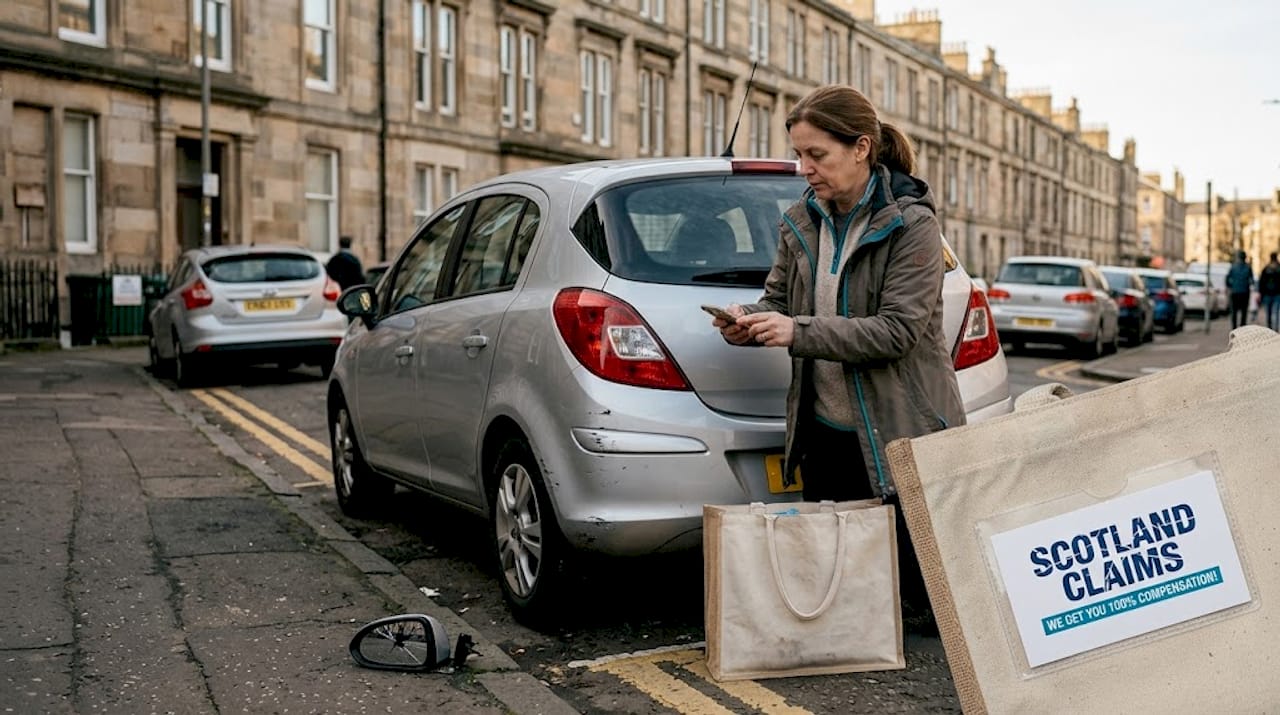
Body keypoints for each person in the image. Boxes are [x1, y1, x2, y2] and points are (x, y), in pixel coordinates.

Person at [711, 85, 965, 614]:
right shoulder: (801, 220)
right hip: (825, 431)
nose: (804, 168)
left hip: (898, 431)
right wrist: (748, 320)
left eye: (816, 155)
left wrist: (796, 331)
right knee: (841, 601)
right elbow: (777, 298)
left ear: (861, 148)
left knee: (921, 605)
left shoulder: (912, 224)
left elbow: (897, 332)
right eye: (799, 154)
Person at [1225, 250, 1255, 330]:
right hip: (1245, 292)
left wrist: (1230, 286)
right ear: (1245, 257)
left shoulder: (1233, 267)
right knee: (1244, 312)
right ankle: (1242, 328)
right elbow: (1252, 280)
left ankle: (1234, 328)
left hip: (1235, 292)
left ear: (1238, 257)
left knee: (1234, 312)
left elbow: (1227, 279)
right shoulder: (1248, 267)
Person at [1259, 251, 1280, 331]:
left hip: (1267, 294)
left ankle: (1269, 328)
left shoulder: (1266, 268)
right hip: (1277, 294)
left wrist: (1261, 293)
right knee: (1276, 312)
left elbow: (1261, 282)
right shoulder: (1279, 268)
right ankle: (1276, 329)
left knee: (1269, 312)